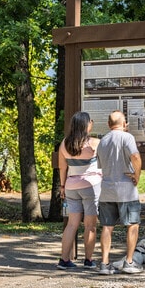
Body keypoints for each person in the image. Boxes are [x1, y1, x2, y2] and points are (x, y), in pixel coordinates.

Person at [96, 110, 143, 275]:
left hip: (107, 189)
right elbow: (135, 157)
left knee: (107, 227)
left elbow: (101, 165)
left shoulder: (103, 141)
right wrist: (137, 175)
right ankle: (129, 262)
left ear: (109, 125)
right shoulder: (127, 137)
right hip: (126, 190)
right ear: (124, 124)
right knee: (132, 225)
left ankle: (104, 263)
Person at [56, 111, 102, 270]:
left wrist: (62, 186)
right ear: (86, 125)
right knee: (90, 225)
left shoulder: (64, 143)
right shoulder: (94, 143)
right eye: (91, 121)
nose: (92, 123)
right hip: (91, 186)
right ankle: (88, 260)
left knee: (71, 224)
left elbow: (63, 167)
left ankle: (64, 260)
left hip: (70, 186)